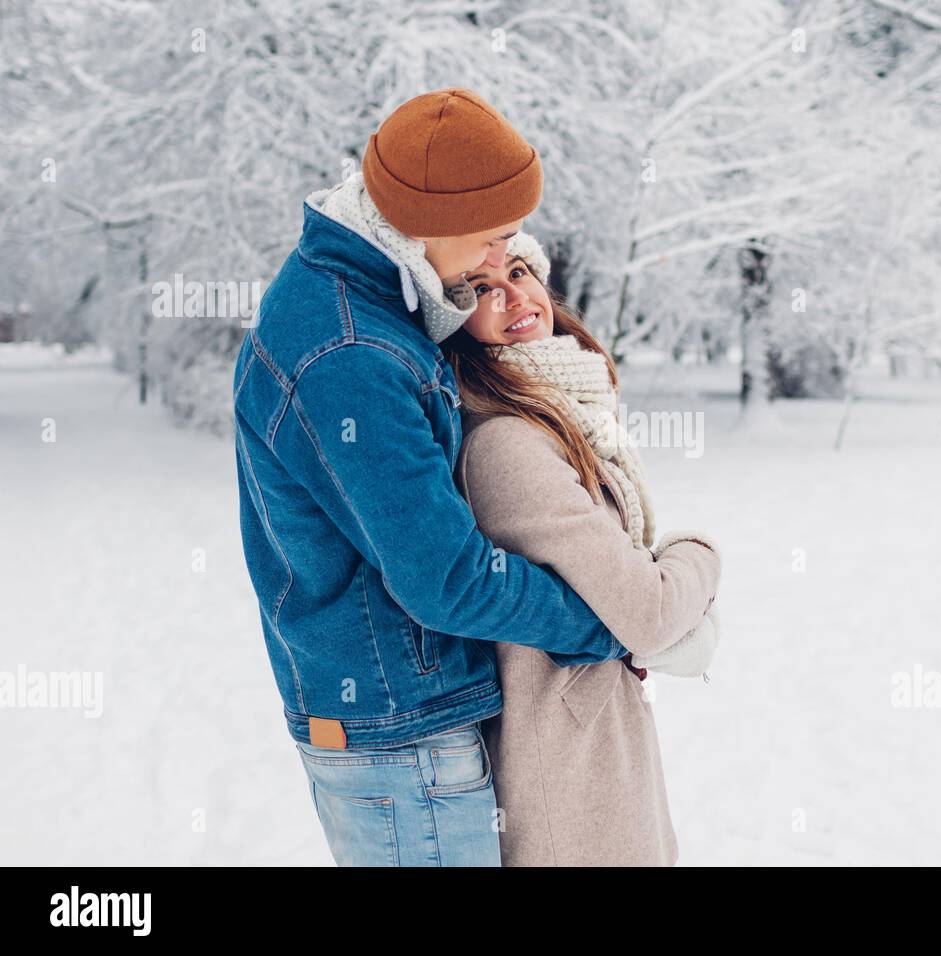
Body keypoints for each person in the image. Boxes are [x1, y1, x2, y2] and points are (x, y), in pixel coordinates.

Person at [232, 88, 625, 866]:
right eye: (491, 240)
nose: (495, 264)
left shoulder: (359, 292)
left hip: (386, 722)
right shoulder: (352, 354)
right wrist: (606, 623)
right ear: (427, 222)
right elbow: (446, 578)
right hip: (399, 735)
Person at [442, 230, 722, 865]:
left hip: (597, 741)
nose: (514, 296)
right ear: (456, 322)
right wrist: (698, 550)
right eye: (482, 288)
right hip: (563, 774)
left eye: (519, 272)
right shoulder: (507, 445)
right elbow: (647, 613)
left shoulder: (562, 418)